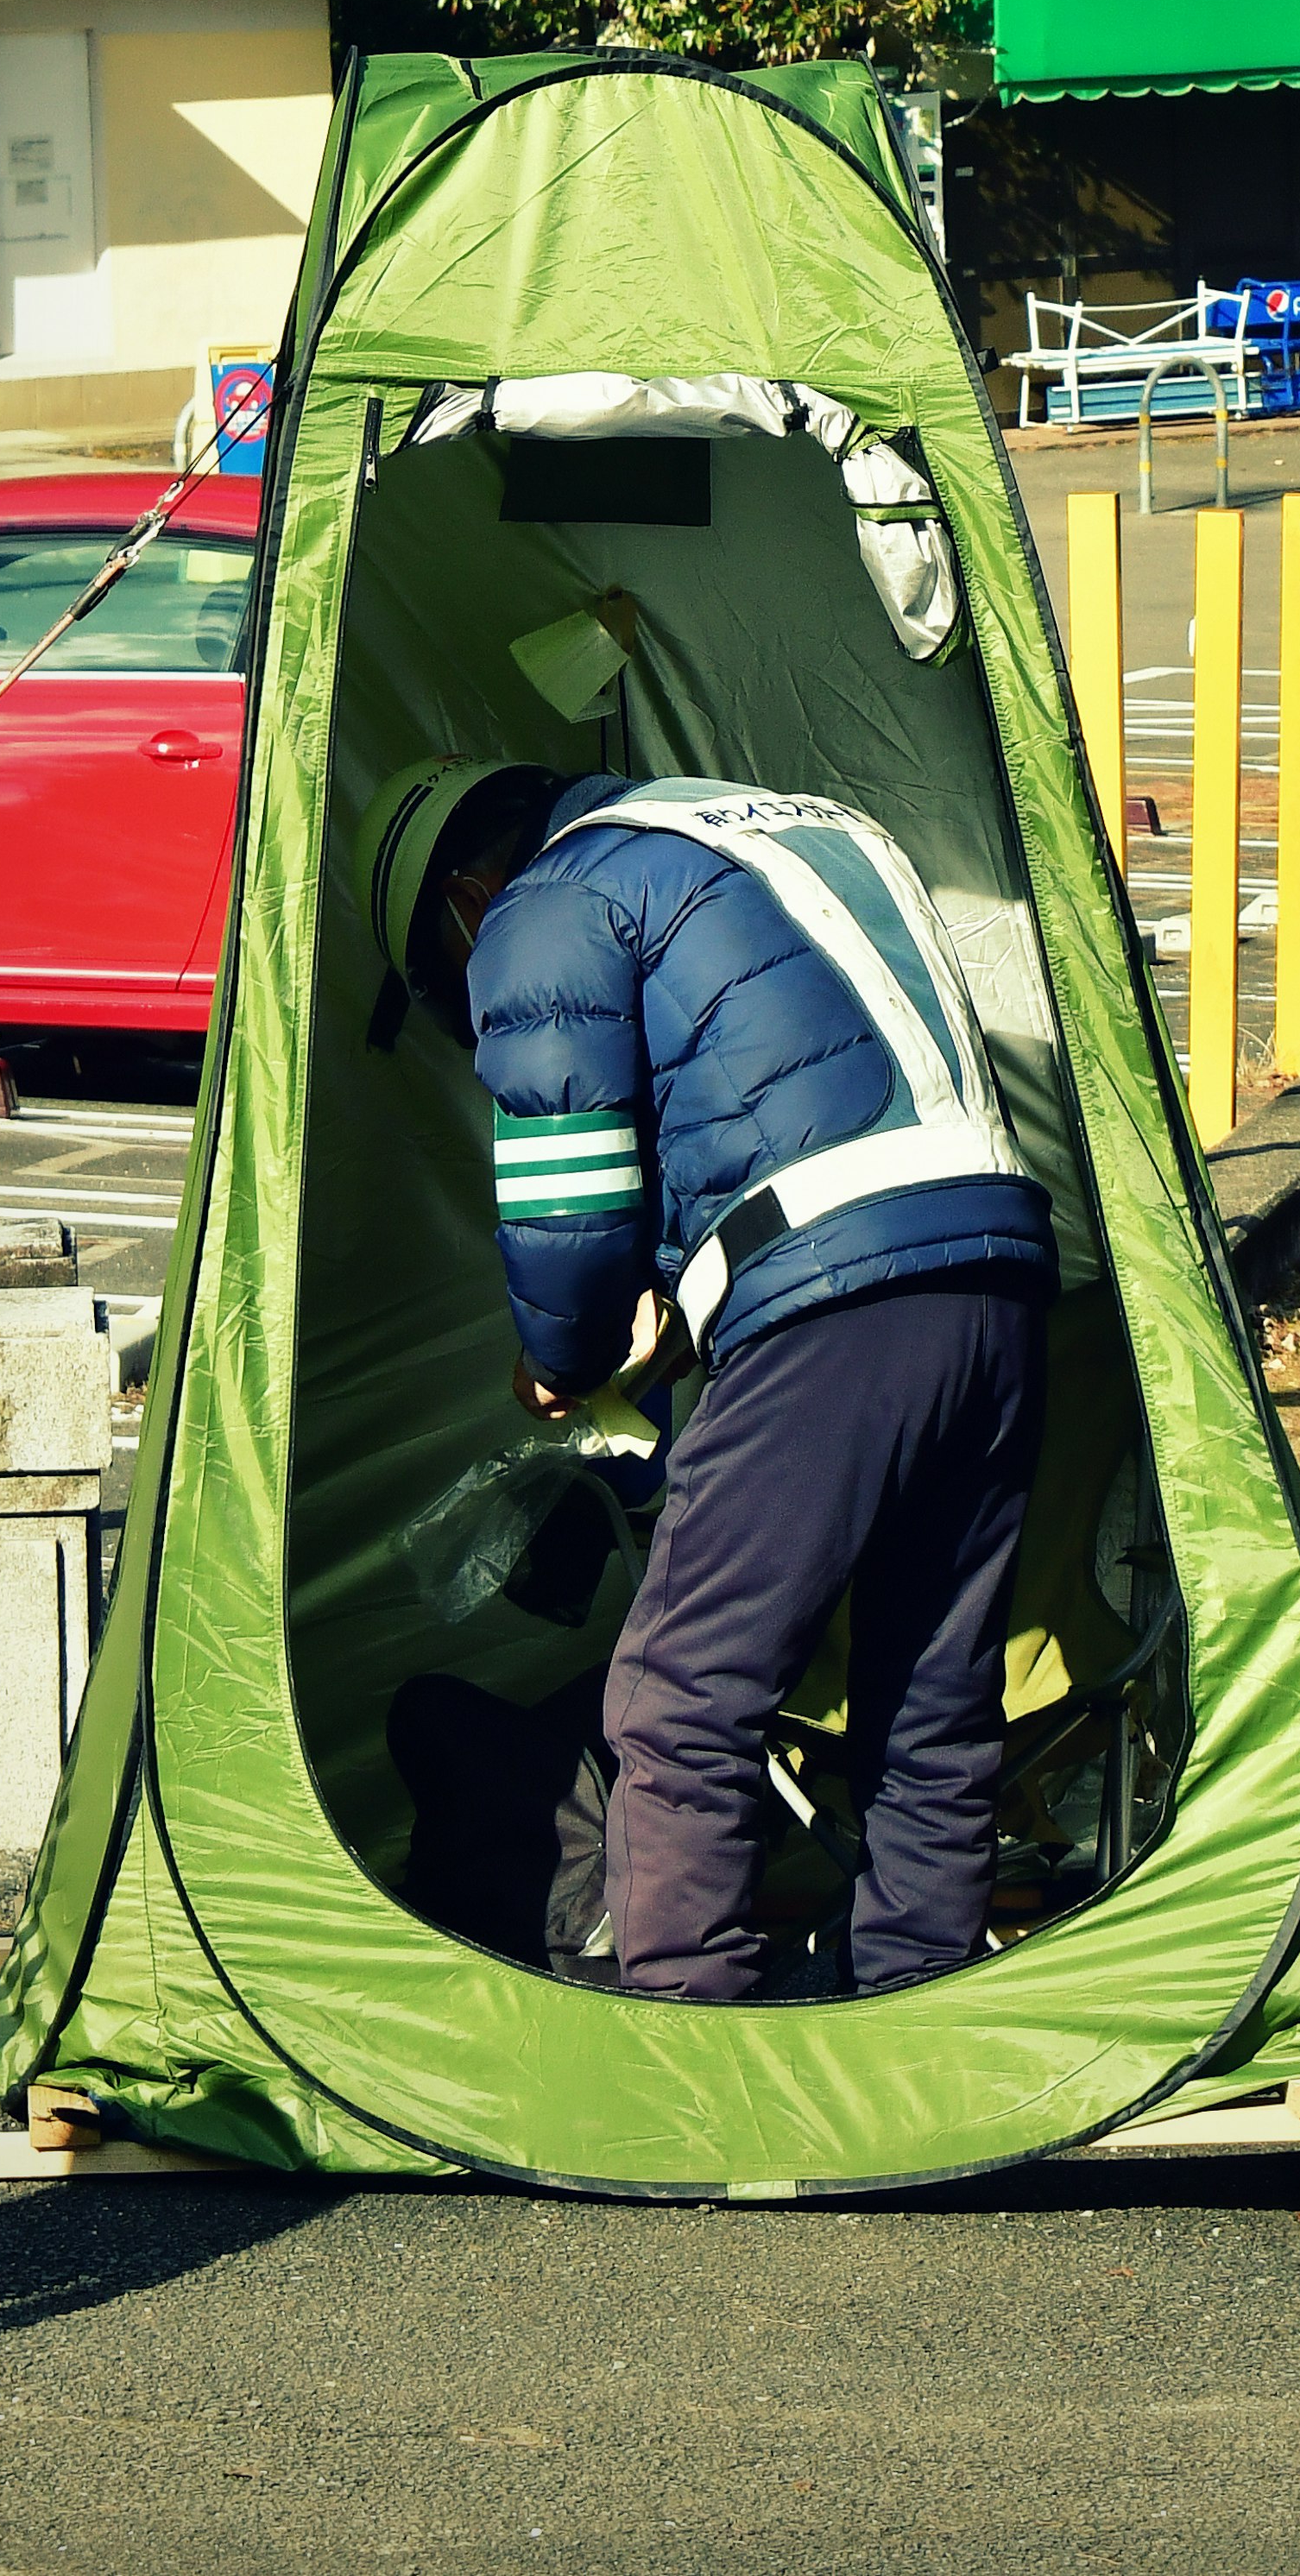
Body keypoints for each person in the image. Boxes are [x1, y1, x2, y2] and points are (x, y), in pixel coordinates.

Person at [366, 756, 1056, 2003]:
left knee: (681, 1691)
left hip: (841, 1299)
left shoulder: (546, 904)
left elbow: (568, 1202)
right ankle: (920, 2001)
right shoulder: (801, 819)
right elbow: (808, 1094)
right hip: (1000, 1271)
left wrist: (564, 1357)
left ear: (468, 898)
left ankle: (686, 2020)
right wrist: (695, 1308)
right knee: (935, 1688)